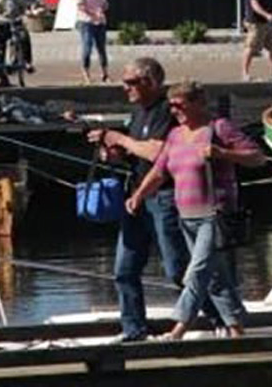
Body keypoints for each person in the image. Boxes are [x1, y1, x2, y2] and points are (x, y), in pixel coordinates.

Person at [88, 57, 216, 341]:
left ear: (151, 82)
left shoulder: (164, 112)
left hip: (164, 197)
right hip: (137, 196)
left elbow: (157, 153)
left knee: (177, 268)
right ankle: (133, 330)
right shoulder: (138, 114)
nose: (125, 88)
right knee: (124, 269)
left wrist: (120, 139)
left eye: (131, 82)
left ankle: (217, 316)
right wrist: (113, 150)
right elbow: (137, 150)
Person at [125, 79, 265, 339]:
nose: (174, 111)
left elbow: (257, 157)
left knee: (197, 271)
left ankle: (179, 328)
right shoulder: (175, 135)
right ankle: (236, 329)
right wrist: (139, 196)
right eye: (171, 106)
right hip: (186, 216)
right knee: (215, 278)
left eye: (179, 105)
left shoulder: (218, 128)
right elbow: (159, 171)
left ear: (198, 104)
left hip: (215, 214)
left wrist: (223, 153)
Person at [74, 0, 110, 84]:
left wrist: (104, 7)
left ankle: (105, 73)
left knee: (101, 48)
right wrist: (92, 13)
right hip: (86, 22)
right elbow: (80, 5)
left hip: (100, 21)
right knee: (87, 47)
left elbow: (104, 3)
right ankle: (86, 74)